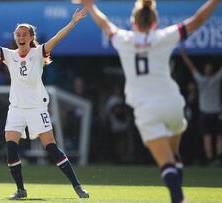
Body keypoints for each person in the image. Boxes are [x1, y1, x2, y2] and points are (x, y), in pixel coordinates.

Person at [79, 0, 219, 202]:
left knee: (166, 164)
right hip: (172, 103)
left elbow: (105, 24)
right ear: (154, 22)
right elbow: (197, 20)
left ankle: (179, 198)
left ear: (133, 22)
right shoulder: (163, 36)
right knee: (174, 154)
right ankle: (178, 187)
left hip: (146, 109)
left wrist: (90, 6)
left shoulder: (124, 39)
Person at [0, 7, 89, 199]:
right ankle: (20, 190)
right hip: (16, 109)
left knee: (51, 147)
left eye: (24, 34)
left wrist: (73, 22)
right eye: (18, 34)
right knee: (10, 146)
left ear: (31, 36)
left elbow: (57, 38)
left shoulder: (38, 53)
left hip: (37, 108)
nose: (20, 37)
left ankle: (77, 186)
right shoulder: (9, 55)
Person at [181, 49, 222, 166]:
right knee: (215, 137)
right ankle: (215, 158)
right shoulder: (214, 79)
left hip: (207, 113)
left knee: (209, 137)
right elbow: (192, 68)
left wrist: (184, 56)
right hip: (214, 112)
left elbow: (192, 67)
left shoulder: (202, 80)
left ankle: (212, 159)